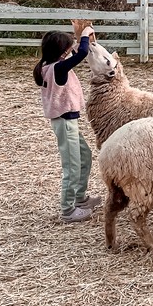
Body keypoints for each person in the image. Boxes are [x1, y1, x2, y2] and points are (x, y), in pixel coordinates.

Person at [33, 22, 101, 223]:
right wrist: (86, 35)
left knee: (84, 156)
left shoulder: (51, 65)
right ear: (61, 52)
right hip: (64, 122)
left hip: (68, 122)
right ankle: (68, 210)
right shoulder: (58, 68)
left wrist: (78, 37)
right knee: (72, 165)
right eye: (67, 48)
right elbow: (80, 54)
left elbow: (75, 53)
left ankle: (79, 198)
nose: (70, 51)